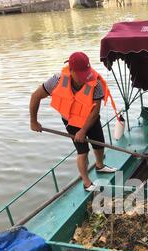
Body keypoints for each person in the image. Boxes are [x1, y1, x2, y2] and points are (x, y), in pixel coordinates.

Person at [30, 52, 117, 192]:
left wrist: (84, 130)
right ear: (71, 71)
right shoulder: (57, 80)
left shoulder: (96, 83)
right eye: (80, 75)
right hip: (72, 121)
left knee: (98, 142)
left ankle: (100, 166)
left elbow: (95, 112)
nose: (85, 78)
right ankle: (87, 183)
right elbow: (36, 96)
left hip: (90, 118)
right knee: (82, 151)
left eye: (86, 73)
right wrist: (33, 121)